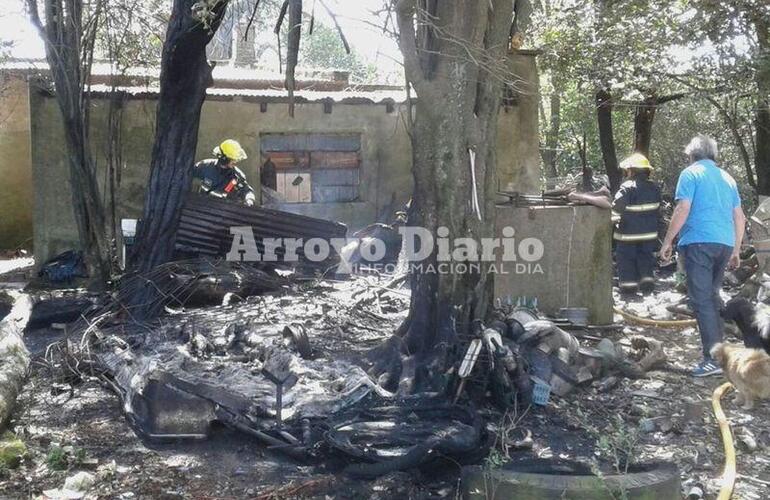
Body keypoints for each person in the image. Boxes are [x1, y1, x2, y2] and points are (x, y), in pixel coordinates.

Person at [660, 135, 746, 377]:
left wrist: (668, 241)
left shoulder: (690, 173)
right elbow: (739, 216)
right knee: (712, 296)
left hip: (699, 242)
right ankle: (723, 356)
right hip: (725, 243)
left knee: (702, 301)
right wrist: (737, 249)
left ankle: (712, 359)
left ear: (692, 154)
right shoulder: (727, 178)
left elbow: (683, 208)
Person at [612, 153, 661, 295]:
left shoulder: (627, 187)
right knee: (646, 259)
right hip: (649, 235)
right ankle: (647, 285)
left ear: (631, 171)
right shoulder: (655, 188)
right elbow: (658, 211)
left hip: (627, 236)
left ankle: (629, 289)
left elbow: (615, 211)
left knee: (626, 261)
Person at [193, 139, 256, 206]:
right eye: (233, 159)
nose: (235, 162)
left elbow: (247, 191)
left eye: (236, 159)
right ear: (224, 158)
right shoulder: (204, 166)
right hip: (201, 206)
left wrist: (249, 200)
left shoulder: (237, 176)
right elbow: (186, 175)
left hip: (224, 211)